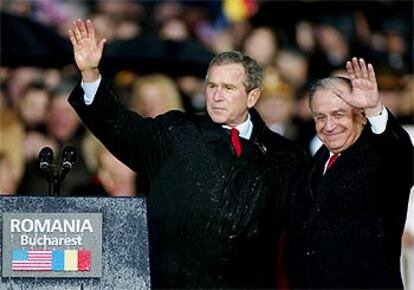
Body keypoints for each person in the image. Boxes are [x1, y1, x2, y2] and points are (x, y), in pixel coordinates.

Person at [68, 19, 304, 288]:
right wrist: (90, 75)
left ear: (252, 97)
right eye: (212, 86)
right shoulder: (177, 133)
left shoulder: (284, 156)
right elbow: (121, 128)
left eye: (228, 88)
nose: (216, 96)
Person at [287, 57, 414, 289]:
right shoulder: (316, 162)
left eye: (338, 114)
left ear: (360, 115)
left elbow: (401, 154)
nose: (329, 125)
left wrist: (375, 109)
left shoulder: (380, 156)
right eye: (320, 117)